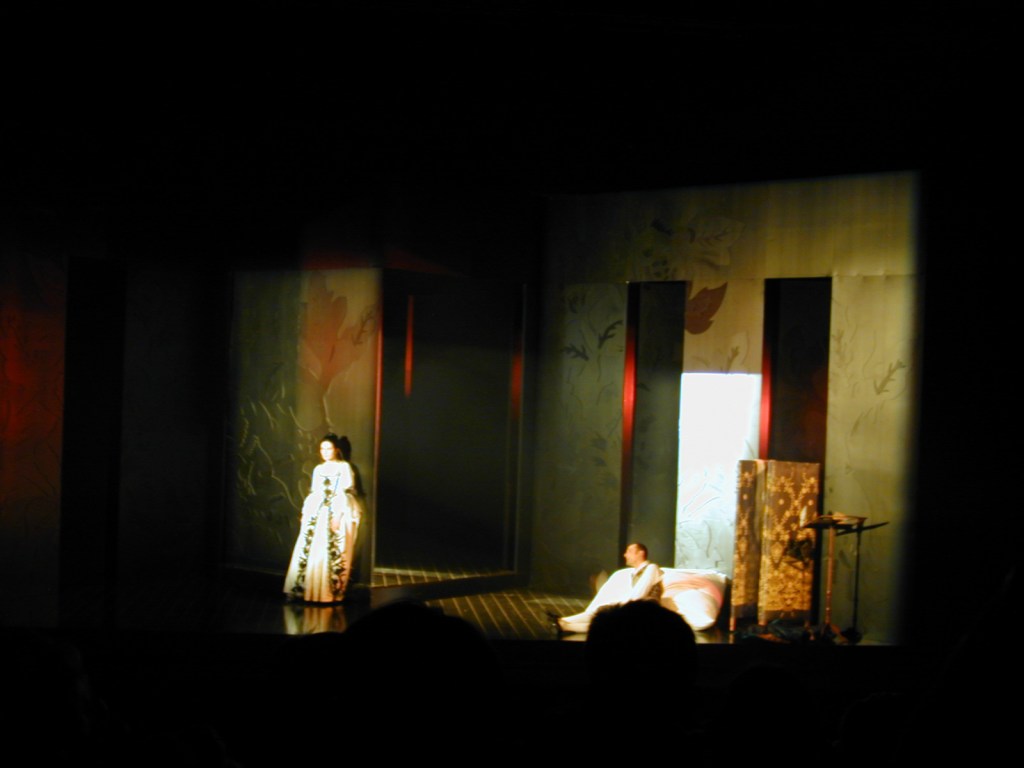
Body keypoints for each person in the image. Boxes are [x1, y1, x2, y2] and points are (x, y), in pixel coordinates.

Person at [283, 433, 363, 603]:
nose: (325, 452)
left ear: (336, 450)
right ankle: (305, 589)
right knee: (310, 548)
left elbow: (345, 492)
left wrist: (338, 515)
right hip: (318, 511)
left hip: (337, 509)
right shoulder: (318, 469)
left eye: (329, 448)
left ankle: (329, 591)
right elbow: (315, 492)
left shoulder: (344, 467)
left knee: (333, 548)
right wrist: (307, 512)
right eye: (322, 449)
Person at [556, 542, 663, 634]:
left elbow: (639, 594)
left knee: (607, 618)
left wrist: (618, 608)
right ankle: (562, 623)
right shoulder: (630, 573)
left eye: (629, 551)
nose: (625, 555)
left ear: (641, 553)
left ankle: (563, 623)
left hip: (645, 610)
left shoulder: (651, 568)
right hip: (633, 608)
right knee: (602, 616)